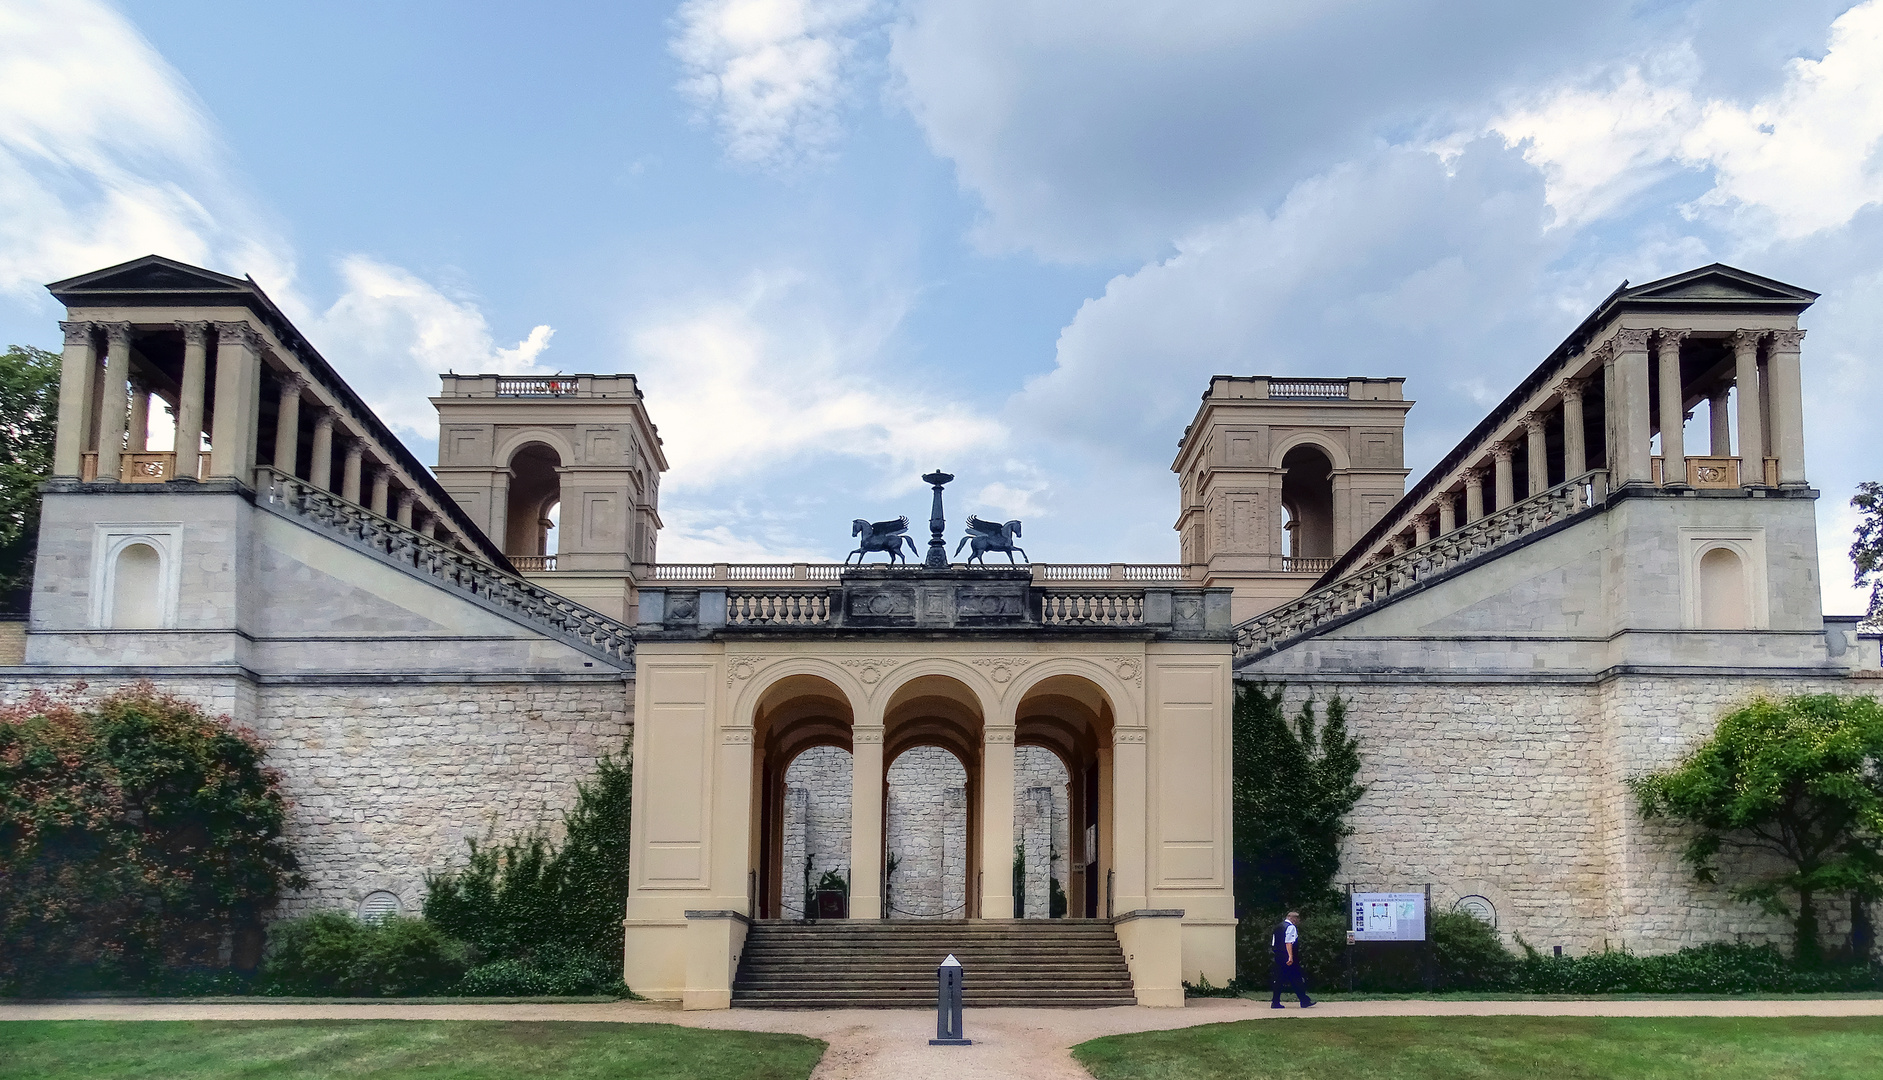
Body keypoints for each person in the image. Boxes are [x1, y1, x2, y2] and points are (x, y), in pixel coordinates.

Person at [1270, 910, 1315, 1008]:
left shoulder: (1278, 927)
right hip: (1288, 957)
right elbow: (1289, 942)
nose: (1298, 921)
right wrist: (1290, 956)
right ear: (1294, 919)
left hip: (1278, 956)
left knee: (1279, 979)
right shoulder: (1291, 927)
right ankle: (1304, 1000)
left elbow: (1273, 943)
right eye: (1298, 919)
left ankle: (1276, 1001)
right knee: (1296, 978)